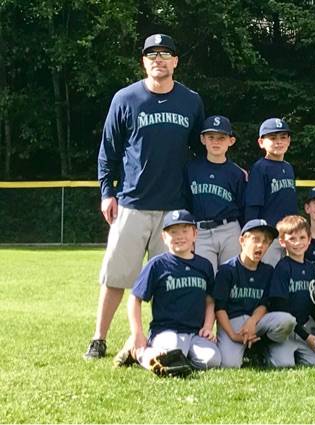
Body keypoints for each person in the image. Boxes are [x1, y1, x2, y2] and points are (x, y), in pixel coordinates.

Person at [86, 33, 204, 359]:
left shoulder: (191, 101)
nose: (159, 59)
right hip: (133, 203)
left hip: (174, 209)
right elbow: (108, 151)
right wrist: (107, 192)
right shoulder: (126, 98)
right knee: (116, 275)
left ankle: (158, 337)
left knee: (168, 280)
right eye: (152, 54)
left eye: (166, 53)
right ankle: (99, 337)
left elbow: (203, 147)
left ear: (176, 61)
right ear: (144, 61)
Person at [113, 209, 220, 377]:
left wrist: (207, 326)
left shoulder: (204, 265)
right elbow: (134, 299)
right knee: (169, 353)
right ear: (163, 237)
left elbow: (210, 299)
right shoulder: (157, 265)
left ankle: (178, 359)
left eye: (185, 230)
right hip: (166, 331)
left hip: (194, 332)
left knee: (212, 360)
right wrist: (138, 334)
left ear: (195, 234)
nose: (179, 236)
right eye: (173, 231)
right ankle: (139, 352)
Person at [213, 219, 296, 368]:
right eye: (255, 239)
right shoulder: (227, 270)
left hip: (258, 322)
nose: (260, 245)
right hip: (233, 322)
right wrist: (233, 335)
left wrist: (252, 322)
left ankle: (261, 346)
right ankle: (247, 348)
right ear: (242, 240)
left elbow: (264, 303)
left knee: (286, 322)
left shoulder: (268, 271)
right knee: (229, 365)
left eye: (266, 242)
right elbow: (219, 308)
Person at [185, 114, 246, 273]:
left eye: (221, 137)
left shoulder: (236, 173)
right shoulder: (191, 169)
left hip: (229, 229)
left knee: (231, 277)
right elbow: (186, 201)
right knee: (205, 278)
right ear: (202, 139)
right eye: (211, 137)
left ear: (231, 141)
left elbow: (242, 206)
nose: (216, 141)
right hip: (201, 231)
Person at [266, 215, 315, 367]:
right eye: (292, 238)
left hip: (303, 328)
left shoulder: (312, 268)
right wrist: (306, 336)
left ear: (309, 239)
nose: (298, 243)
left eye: (302, 237)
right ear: (282, 242)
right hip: (285, 331)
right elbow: (281, 307)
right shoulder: (282, 268)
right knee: (284, 365)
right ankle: (265, 349)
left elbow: (310, 301)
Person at [244, 118, 297, 266]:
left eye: (283, 137)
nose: (278, 142)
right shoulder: (260, 168)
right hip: (269, 236)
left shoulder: (288, 167)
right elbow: (253, 204)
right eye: (272, 138)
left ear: (289, 141)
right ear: (261, 143)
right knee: (268, 272)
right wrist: (254, 234)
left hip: (290, 234)